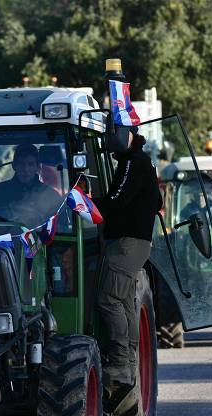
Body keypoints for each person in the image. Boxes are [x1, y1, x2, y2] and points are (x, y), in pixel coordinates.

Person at [94, 125, 162, 387]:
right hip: (135, 243)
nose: (109, 143)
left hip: (127, 243)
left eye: (111, 136)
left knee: (108, 299)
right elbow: (157, 203)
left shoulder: (134, 163)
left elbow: (116, 200)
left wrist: (86, 201)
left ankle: (121, 363)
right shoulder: (140, 162)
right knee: (122, 302)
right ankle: (130, 363)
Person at [0, 144, 61, 227]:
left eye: (30, 164)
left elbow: (60, 227)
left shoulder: (51, 196)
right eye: (21, 163)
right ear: (14, 166)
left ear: (38, 167)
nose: (25, 169)